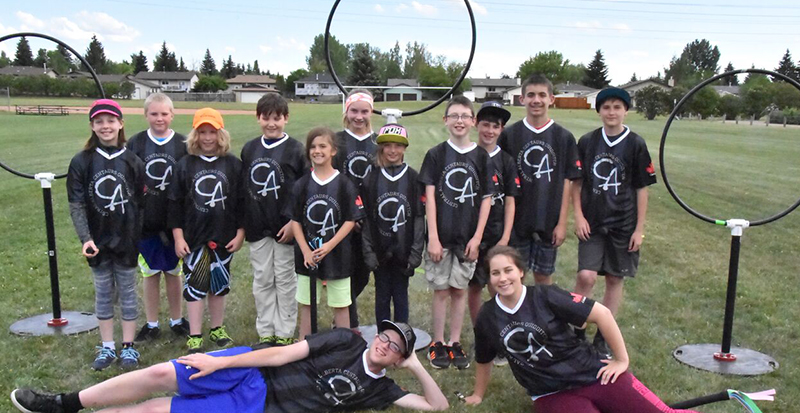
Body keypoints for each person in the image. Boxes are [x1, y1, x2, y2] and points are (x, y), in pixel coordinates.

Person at [10, 320, 449, 413]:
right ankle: (64, 403)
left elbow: (439, 407)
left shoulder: (382, 390)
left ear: (397, 358)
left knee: (156, 412)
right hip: (249, 369)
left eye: (394, 348)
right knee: (164, 374)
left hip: (257, 409)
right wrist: (218, 360)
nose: (383, 345)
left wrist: (417, 367)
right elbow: (280, 353)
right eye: (384, 336)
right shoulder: (344, 340)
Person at [464, 246, 699, 413]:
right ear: (489, 279)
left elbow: (602, 314)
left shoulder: (546, 295)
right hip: (551, 393)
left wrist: (621, 360)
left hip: (594, 374)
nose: (503, 278)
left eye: (508, 270)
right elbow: (484, 358)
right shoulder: (488, 316)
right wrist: (478, 394)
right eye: (496, 273)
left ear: (521, 272)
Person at [572, 87, 657, 353]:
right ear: (599, 111)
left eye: (617, 107)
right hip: (593, 222)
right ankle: (575, 329)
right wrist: (578, 216)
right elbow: (577, 183)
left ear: (626, 111)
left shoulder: (635, 143)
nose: (611, 112)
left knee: (613, 279)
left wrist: (639, 229)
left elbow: (642, 188)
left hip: (623, 223)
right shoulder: (587, 142)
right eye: (606, 107)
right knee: (586, 276)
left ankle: (604, 336)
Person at [66, 99, 145, 370]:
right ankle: (107, 346)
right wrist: (86, 238)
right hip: (98, 241)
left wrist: (136, 237)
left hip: (126, 241)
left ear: (121, 124)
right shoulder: (82, 161)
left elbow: (140, 205)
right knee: (103, 294)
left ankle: (129, 347)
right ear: (92, 126)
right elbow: (76, 203)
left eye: (111, 120)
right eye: (99, 121)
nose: (105, 126)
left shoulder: (133, 161)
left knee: (128, 293)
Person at [419, 96, 494, 370]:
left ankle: (454, 341)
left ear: (473, 121)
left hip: (467, 238)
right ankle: (437, 341)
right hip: (442, 236)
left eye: (465, 116)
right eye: (454, 116)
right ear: (446, 121)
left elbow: (486, 198)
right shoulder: (436, 154)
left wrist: (477, 237)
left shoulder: (482, 157)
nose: (460, 121)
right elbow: (429, 197)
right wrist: (434, 237)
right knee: (441, 290)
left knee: (460, 290)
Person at [169, 108, 245, 353]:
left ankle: (217, 327)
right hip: (194, 237)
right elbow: (174, 204)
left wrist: (240, 232)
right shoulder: (184, 165)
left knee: (219, 285)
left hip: (223, 236)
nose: (208, 137)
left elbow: (242, 201)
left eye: (212, 132)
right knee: (195, 285)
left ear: (220, 134)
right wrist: (178, 237)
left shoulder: (233, 165)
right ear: (195, 135)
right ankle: (195, 333)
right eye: (202, 132)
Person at [498, 74, 582, 285]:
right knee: (515, 275)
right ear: (522, 99)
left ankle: (543, 317)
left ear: (551, 99)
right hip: (518, 221)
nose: (537, 100)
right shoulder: (510, 135)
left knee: (544, 277)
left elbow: (567, 182)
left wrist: (561, 223)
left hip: (548, 220)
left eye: (542, 95)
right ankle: (517, 317)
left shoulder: (564, 137)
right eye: (531, 95)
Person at [241, 94, 305, 345]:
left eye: (277, 118)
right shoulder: (250, 148)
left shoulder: (296, 150)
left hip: (285, 228)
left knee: (285, 279)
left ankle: (285, 331)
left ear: (286, 119)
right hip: (258, 226)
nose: (271, 123)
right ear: (258, 118)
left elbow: (303, 190)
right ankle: (266, 329)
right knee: (263, 279)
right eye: (266, 118)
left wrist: (294, 222)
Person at [126, 92, 190, 342]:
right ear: (145, 115)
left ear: (172, 115)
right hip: (146, 222)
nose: (159, 118)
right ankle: (151, 323)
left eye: (164, 114)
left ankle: (176, 319)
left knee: (174, 272)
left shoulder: (183, 144)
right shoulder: (136, 143)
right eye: (154, 113)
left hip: (174, 224)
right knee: (150, 273)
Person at [290, 127, 363, 339]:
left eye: (323, 146)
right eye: (313, 146)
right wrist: (305, 250)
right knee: (307, 304)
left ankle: (342, 348)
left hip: (339, 256)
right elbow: (295, 221)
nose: (317, 151)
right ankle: (304, 349)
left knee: (341, 305)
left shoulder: (344, 184)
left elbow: (350, 220)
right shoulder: (302, 184)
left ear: (333, 151)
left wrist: (330, 245)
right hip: (307, 257)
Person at [467, 102, 519, 366]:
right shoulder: (468, 155)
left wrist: (505, 237)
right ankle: (482, 334)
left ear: (502, 129)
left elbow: (510, 200)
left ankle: (502, 334)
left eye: (495, 126)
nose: (489, 130)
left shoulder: (506, 160)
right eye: (485, 124)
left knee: (498, 286)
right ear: (477, 124)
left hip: (497, 232)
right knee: (474, 285)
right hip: (471, 232)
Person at [361, 124, 425, 325]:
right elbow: (366, 220)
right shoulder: (371, 178)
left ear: (404, 148)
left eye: (397, 146)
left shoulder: (413, 178)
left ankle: (401, 339)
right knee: (381, 297)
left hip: (403, 253)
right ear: (380, 148)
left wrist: (415, 253)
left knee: (400, 297)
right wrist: (369, 253)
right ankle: (383, 339)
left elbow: (418, 217)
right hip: (379, 253)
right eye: (387, 145)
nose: (392, 150)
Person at [333, 89, 377, 332]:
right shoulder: (337, 141)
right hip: (344, 219)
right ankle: (348, 323)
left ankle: (343, 317)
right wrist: (348, 213)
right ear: (346, 111)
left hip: (371, 220)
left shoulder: (378, 141)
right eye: (354, 111)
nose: (359, 116)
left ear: (371, 112)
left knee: (364, 271)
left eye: (364, 111)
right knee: (344, 272)